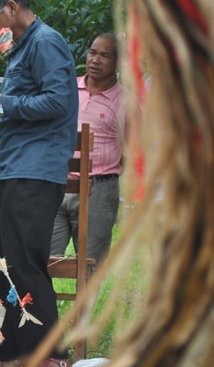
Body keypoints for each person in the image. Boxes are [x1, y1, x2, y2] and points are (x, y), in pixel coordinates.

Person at [0, 0, 78, 367]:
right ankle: (8, 355)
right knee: (1, 264)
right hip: (12, 168)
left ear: (11, 8)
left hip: (36, 171)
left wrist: (2, 104)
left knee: (25, 265)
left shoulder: (47, 43)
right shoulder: (22, 47)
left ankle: (48, 357)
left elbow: (59, 103)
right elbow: (24, 101)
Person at [51, 33, 124, 263]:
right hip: (58, 184)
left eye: (105, 55)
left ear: (118, 63)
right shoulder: (67, 89)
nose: (95, 60)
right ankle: (42, 301)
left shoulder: (126, 102)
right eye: (93, 52)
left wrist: (105, 177)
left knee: (91, 263)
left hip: (99, 191)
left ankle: (85, 301)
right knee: (44, 259)